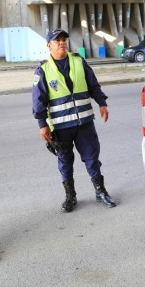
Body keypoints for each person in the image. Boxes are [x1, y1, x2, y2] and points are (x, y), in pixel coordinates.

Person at [32, 29, 116, 212]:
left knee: (92, 159)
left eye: (64, 40)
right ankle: (70, 196)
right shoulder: (43, 69)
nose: (62, 43)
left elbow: (93, 84)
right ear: (49, 46)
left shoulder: (78, 61)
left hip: (84, 123)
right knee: (64, 161)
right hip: (61, 126)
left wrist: (102, 103)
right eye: (57, 40)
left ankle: (100, 192)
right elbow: (38, 100)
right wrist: (42, 124)